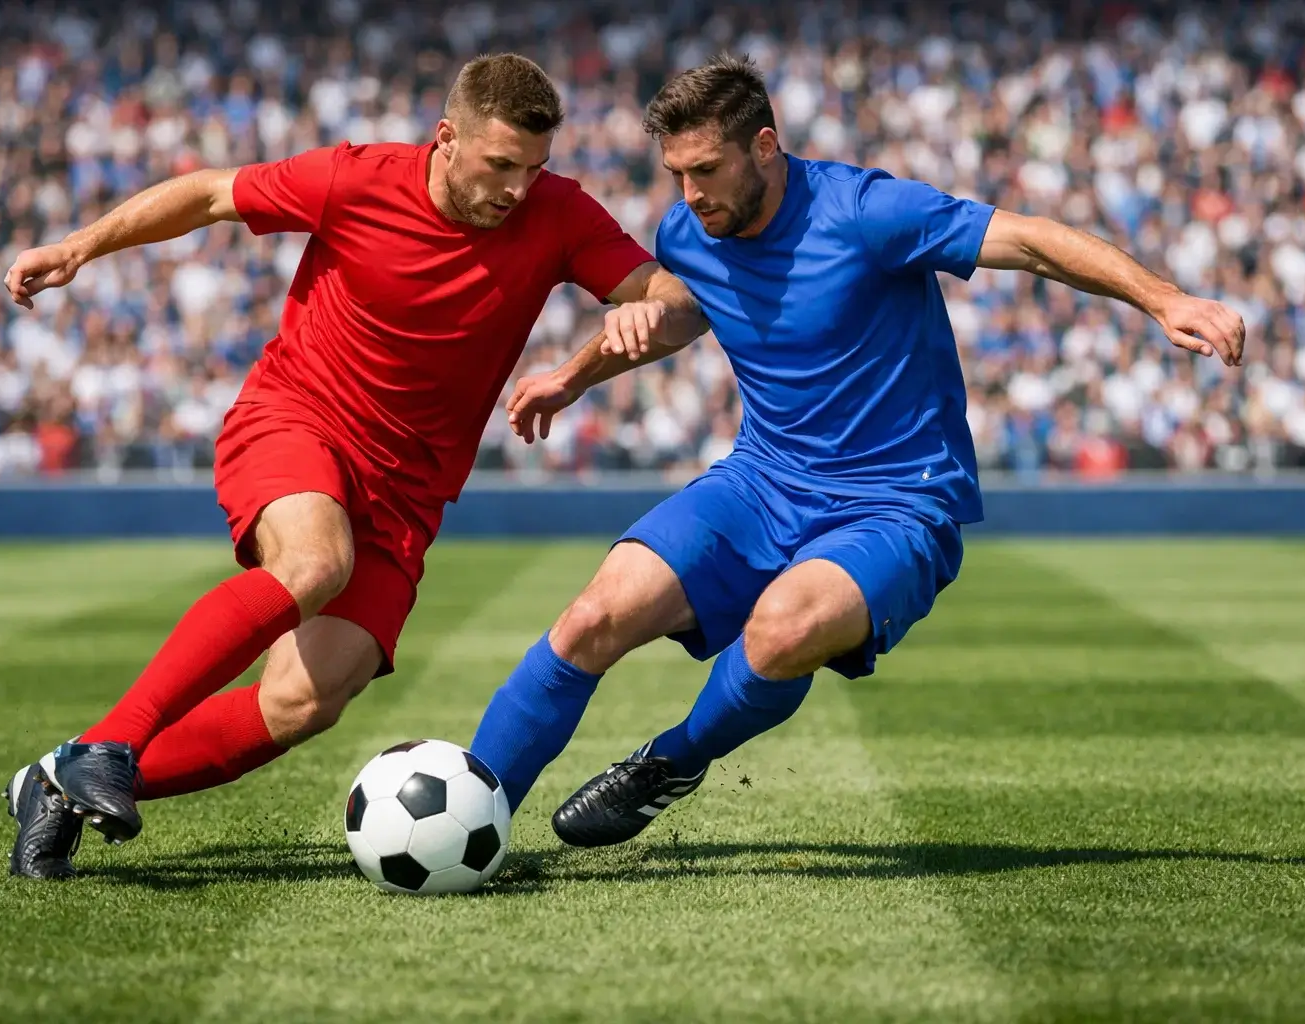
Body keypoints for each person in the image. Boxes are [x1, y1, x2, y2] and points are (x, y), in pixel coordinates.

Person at [467, 55, 1246, 846]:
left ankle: (671, 761)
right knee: (593, 615)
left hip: (900, 502)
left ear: (765, 147)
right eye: (676, 173)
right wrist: (576, 373)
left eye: (706, 169)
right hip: (761, 482)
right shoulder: (691, 231)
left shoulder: (866, 211)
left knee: (781, 632)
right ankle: (472, 809)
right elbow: (675, 313)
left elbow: (1033, 242)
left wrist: (1165, 298)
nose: (690, 193)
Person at [0, 53, 704, 879]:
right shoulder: (355, 178)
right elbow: (208, 193)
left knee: (304, 701)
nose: (517, 187)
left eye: (534, 168)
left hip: (407, 494)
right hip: (297, 420)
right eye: (501, 164)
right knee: (315, 563)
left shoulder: (558, 212)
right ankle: (112, 743)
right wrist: (81, 247)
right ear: (447, 139)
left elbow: (680, 304)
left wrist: (629, 330)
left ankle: (56, 780)